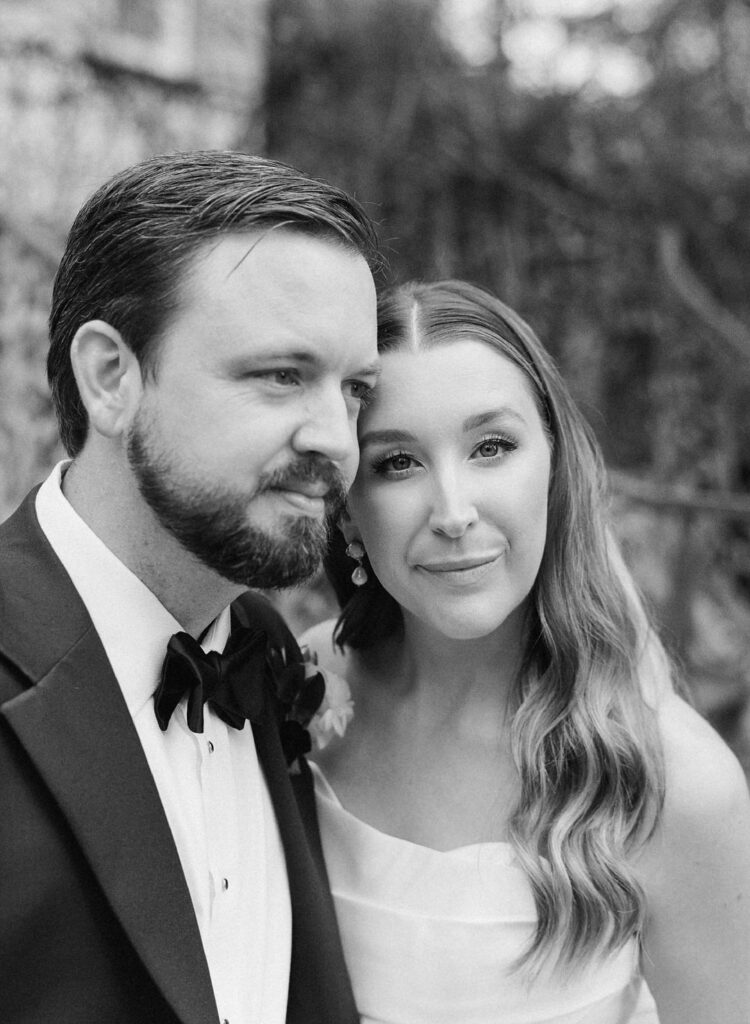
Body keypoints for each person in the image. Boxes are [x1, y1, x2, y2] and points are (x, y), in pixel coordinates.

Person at [0, 150, 383, 1024]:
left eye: (355, 390)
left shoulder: (273, 660)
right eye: (281, 375)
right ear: (111, 377)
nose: (336, 439)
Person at [302, 279, 750, 1024]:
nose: (453, 513)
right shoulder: (307, 689)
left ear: (554, 469)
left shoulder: (675, 783)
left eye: (491, 447)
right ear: (347, 505)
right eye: (397, 464)